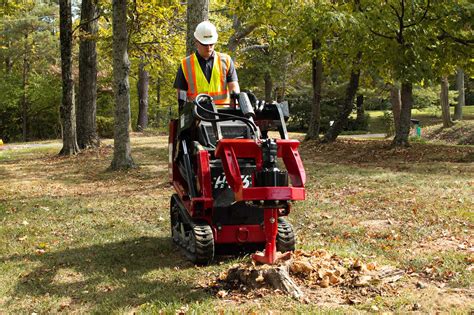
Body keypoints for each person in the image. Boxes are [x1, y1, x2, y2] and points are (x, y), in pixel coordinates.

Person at [173, 21, 240, 108]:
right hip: (197, 115)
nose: (208, 47)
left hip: (223, 115)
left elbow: (234, 87)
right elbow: (181, 94)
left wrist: (235, 107)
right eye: (205, 44)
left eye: (211, 44)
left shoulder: (226, 60)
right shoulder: (186, 64)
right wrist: (184, 114)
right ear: (196, 42)